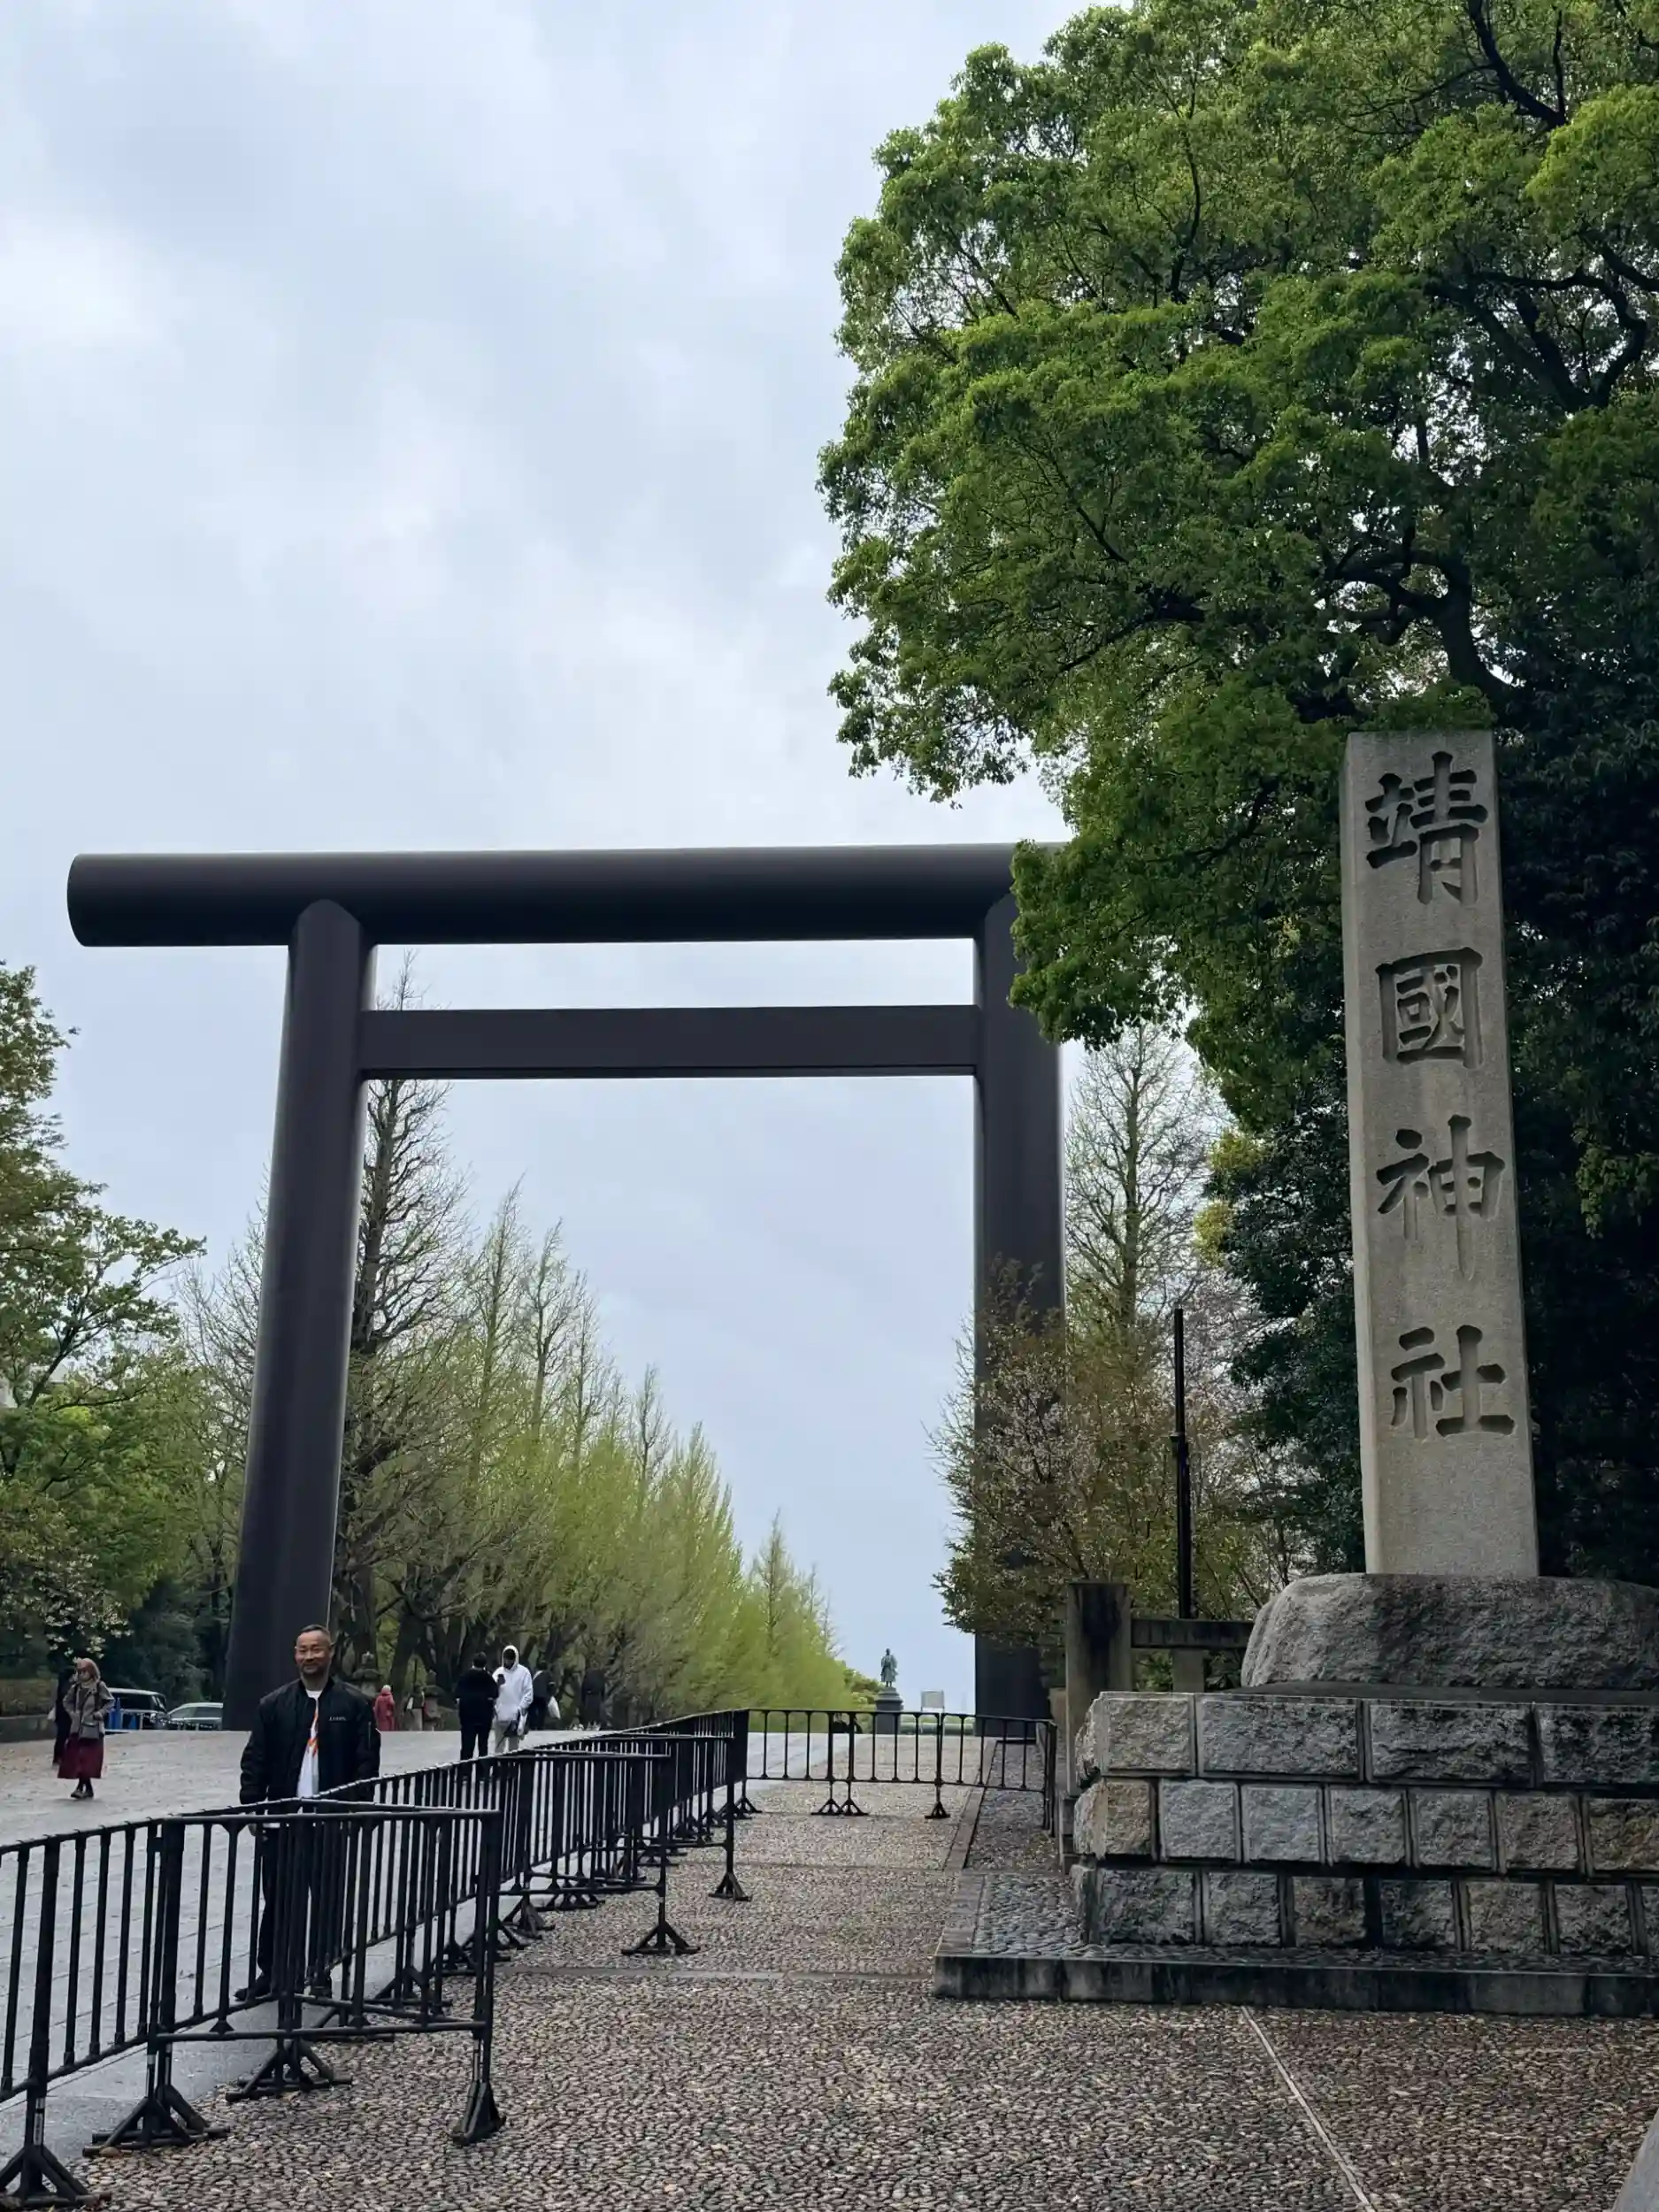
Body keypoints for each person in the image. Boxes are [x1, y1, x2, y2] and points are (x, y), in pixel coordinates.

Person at [239, 1624, 379, 1999]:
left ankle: (321, 1972)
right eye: (303, 1650)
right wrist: (252, 1806)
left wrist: (356, 1807)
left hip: (329, 1818)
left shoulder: (354, 1705)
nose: (309, 1656)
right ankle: (272, 1972)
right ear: (295, 1655)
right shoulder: (273, 1705)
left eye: (317, 1649)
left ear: (330, 1653)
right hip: (283, 1817)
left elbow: (366, 1761)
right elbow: (255, 1759)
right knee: (278, 1899)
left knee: (328, 1900)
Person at [59, 1657, 113, 1800]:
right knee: (77, 1759)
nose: (82, 1674)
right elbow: (66, 1701)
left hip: (92, 1728)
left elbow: (110, 1702)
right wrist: (72, 1713)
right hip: (77, 1728)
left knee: (87, 1760)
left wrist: (100, 1713)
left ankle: (80, 1788)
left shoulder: (99, 1686)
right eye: (79, 1671)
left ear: (91, 1671)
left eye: (84, 1671)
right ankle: (87, 1788)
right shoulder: (76, 1687)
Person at [492, 1644, 533, 1756]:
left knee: (514, 1748)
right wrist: (497, 1685)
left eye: (511, 1659)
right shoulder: (498, 1673)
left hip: (516, 1717)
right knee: (498, 1746)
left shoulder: (524, 1673)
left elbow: (528, 1694)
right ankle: (499, 1765)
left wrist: (520, 1708)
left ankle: (512, 1765)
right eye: (506, 1658)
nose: (508, 1661)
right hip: (500, 1716)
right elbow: (491, 1693)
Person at [456, 1655, 495, 1760]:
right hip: (484, 1717)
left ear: (473, 1663)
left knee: (467, 1746)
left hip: (467, 1717)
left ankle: (465, 1768)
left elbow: (457, 1694)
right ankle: (482, 1769)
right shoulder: (488, 1678)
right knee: (483, 1746)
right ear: (485, 1664)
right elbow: (495, 1694)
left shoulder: (464, 1677)